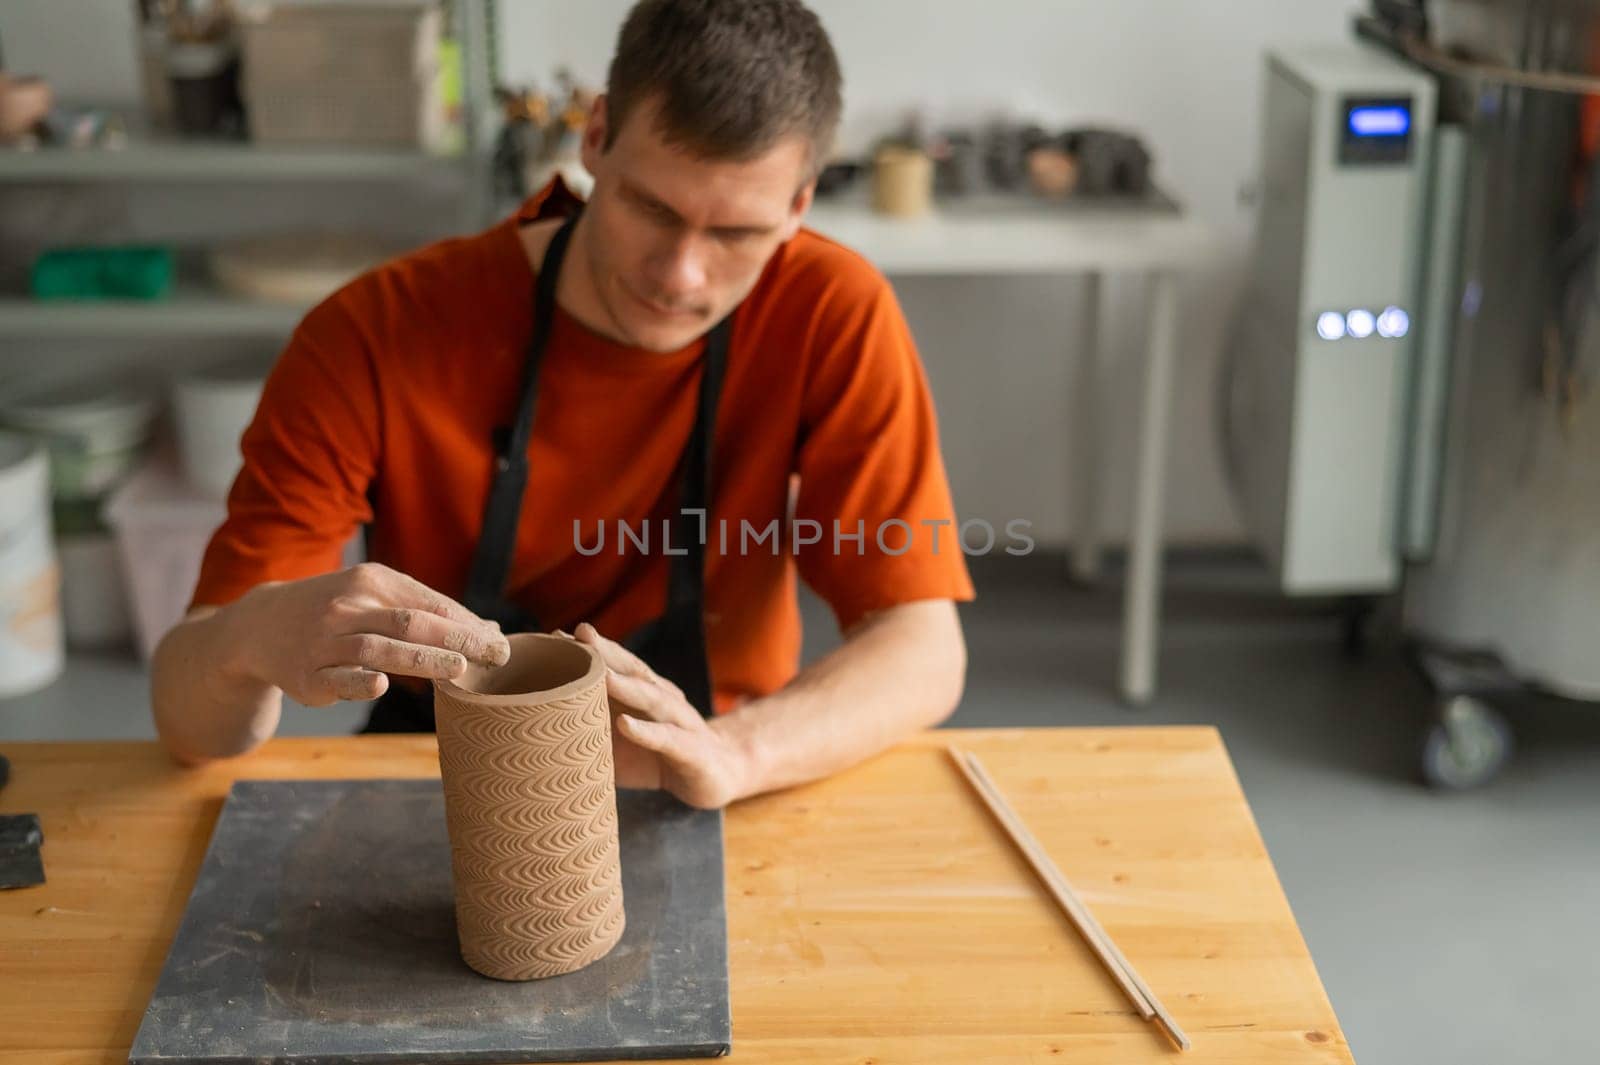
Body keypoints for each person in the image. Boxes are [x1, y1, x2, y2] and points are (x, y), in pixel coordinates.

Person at [151, 0, 974, 809]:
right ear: (594, 138)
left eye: (735, 235)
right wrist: (248, 639)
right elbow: (188, 723)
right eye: (652, 208)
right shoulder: (373, 333)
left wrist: (733, 753)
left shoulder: (832, 311)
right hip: (439, 777)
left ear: (799, 205)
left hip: (712, 769)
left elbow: (923, 647)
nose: (680, 275)